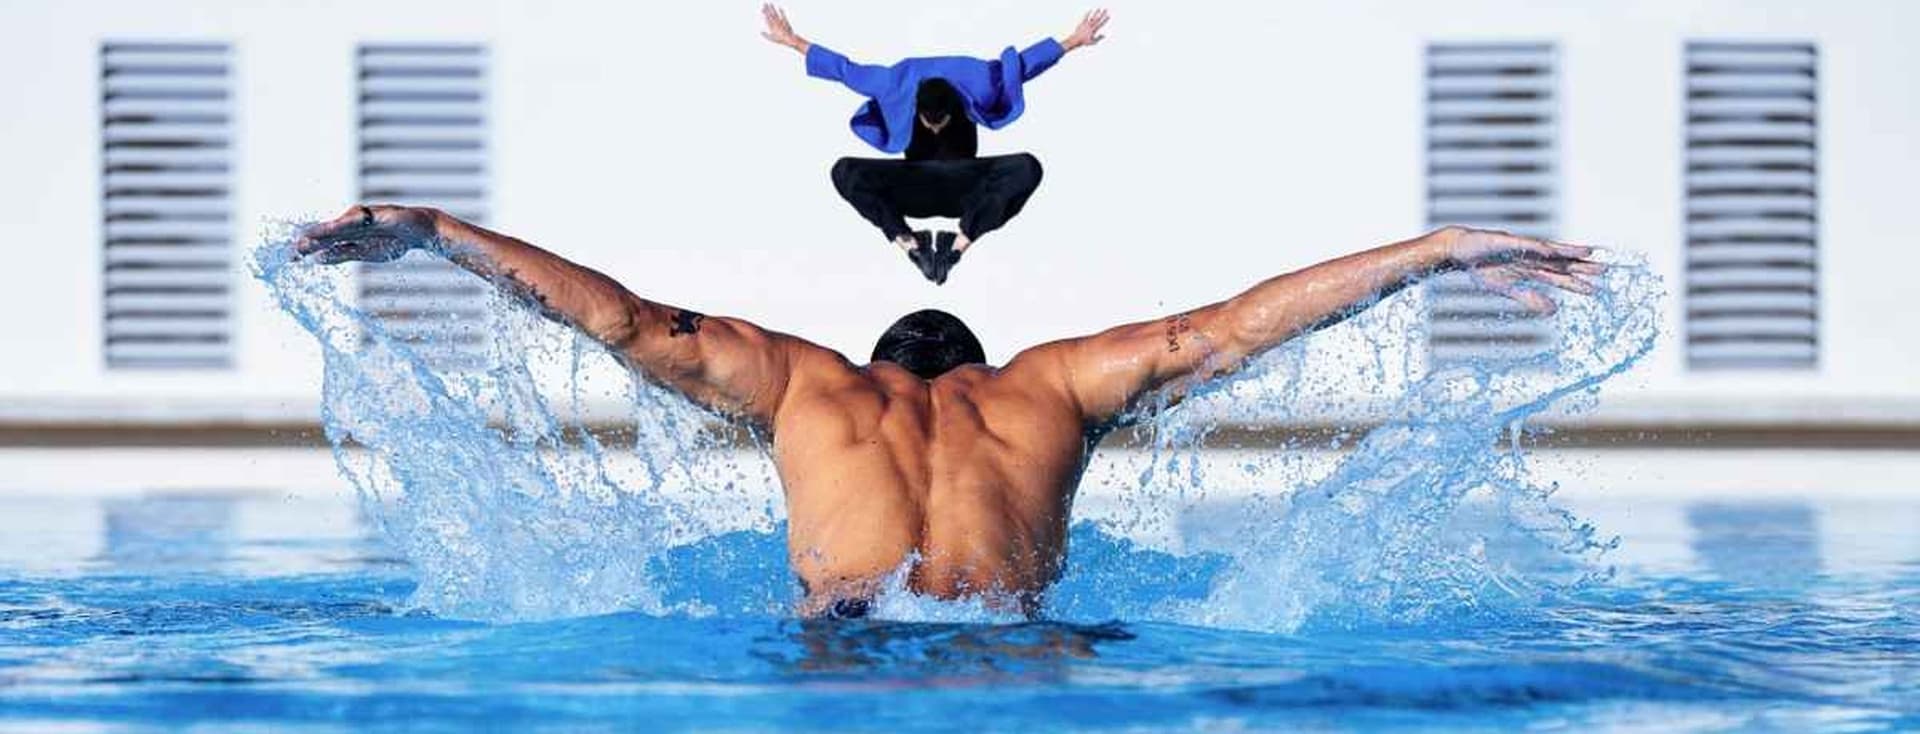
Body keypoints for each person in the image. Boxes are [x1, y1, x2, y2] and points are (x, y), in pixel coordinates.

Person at [297, 205, 1604, 619]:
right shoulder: (1051, 387)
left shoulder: (806, 381)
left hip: (847, 637)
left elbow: (629, 323)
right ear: (971, 372)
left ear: (885, 371)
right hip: (1003, 641)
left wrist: (431, 231)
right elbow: (1229, 328)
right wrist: (1436, 249)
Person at [761, 5, 1111, 284]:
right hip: (913, 182)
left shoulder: (979, 80)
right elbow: (844, 69)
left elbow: (1021, 66)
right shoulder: (892, 83)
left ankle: (955, 247)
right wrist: (793, 40)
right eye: (929, 120)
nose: (935, 126)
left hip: (968, 185)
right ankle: (911, 244)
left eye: (941, 120)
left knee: (1027, 167)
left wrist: (1073, 40)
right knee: (845, 171)